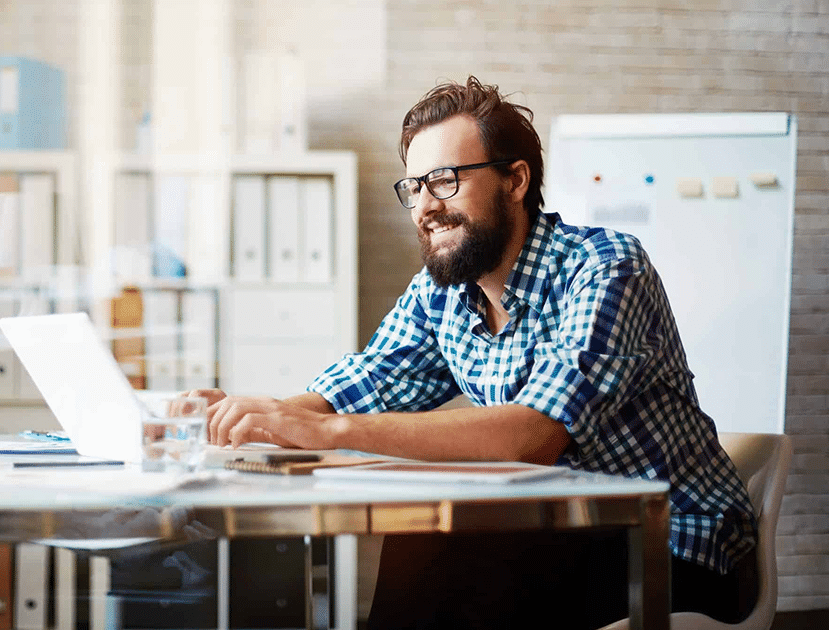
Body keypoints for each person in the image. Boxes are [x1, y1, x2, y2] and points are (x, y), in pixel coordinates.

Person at [184, 76, 758, 629]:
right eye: (414, 187)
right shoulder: (443, 294)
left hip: (678, 546)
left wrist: (328, 434)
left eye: (445, 180)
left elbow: (534, 435)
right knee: (434, 546)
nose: (424, 207)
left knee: (456, 557)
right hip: (559, 533)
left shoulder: (605, 267)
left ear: (515, 180)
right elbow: (356, 385)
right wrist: (258, 419)